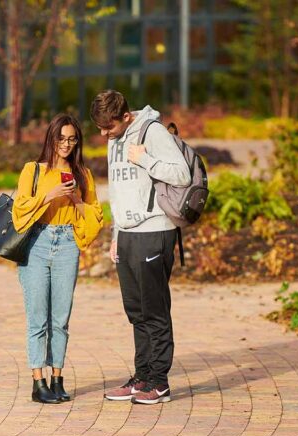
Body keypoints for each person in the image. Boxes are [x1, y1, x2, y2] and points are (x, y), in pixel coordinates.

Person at [90, 90, 190, 405]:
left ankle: (159, 382)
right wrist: (117, 233)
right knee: (136, 310)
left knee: (154, 309)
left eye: (109, 127)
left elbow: (181, 174)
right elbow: (119, 189)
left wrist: (144, 158)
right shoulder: (113, 139)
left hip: (154, 230)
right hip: (129, 234)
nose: (104, 134)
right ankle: (142, 376)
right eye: (100, 128)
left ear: (126, 117)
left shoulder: (153, 131)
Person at [13, 113, 104, 404]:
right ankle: (37, 382)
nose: (66, 144)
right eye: (61, 138)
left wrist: (76, 199)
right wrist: (50, 195)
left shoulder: (83, 175)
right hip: (37, 243)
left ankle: (57, 379)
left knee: (61, 319)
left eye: (72, 139)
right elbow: (20, 210)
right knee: (38, 318)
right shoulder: (33, 170)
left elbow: (94, 219)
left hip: (67, 244)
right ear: (51, 138)